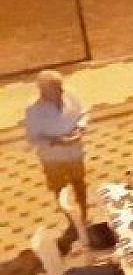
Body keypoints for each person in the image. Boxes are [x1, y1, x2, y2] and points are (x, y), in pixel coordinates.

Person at [26, 70, 88, 227]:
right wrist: (56, 140)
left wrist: (80, 128)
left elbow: (83, 113)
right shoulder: (33, 110)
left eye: (60, 86)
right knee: (60, 190)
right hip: (53, 158)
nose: (61, 91)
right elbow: (33, 138)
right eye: (56, 88)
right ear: (43, 91)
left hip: (74, 152)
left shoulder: (70, 96)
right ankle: (71, 221)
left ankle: (84, 215)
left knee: (79, 183)